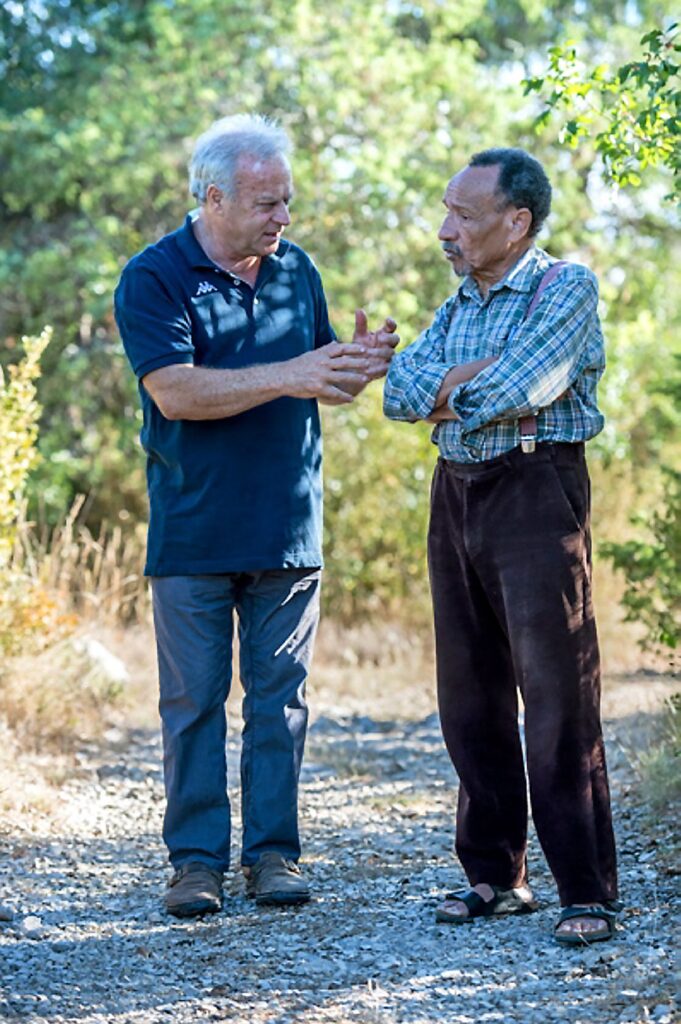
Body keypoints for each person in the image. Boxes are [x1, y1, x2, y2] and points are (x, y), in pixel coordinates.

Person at [114, 114, 398, 917]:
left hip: (287, 527)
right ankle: (195, 864)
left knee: (281, 701)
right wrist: (297, 371)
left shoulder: (295, 269)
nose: (284, 219)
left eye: (288, 203)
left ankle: (273, 856)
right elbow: (175, 392)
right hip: (194, 531)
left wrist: (355, 367)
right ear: (214, 197)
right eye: (269, 204)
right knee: (194, 704)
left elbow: (317, 381)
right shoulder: (154, 276)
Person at [383, 147, 620, 945]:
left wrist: (450, 390)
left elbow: (518, 386)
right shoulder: (457, 304)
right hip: (455, 494)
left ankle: (584, 889)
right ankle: (494, 876)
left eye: (463, 215)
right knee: (469, 694)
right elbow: (397, 393)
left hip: (533, 490)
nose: (445, 230)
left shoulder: (566, 286)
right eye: (446, 211)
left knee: (556, 695)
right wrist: (457, 387)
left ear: (515, 222)